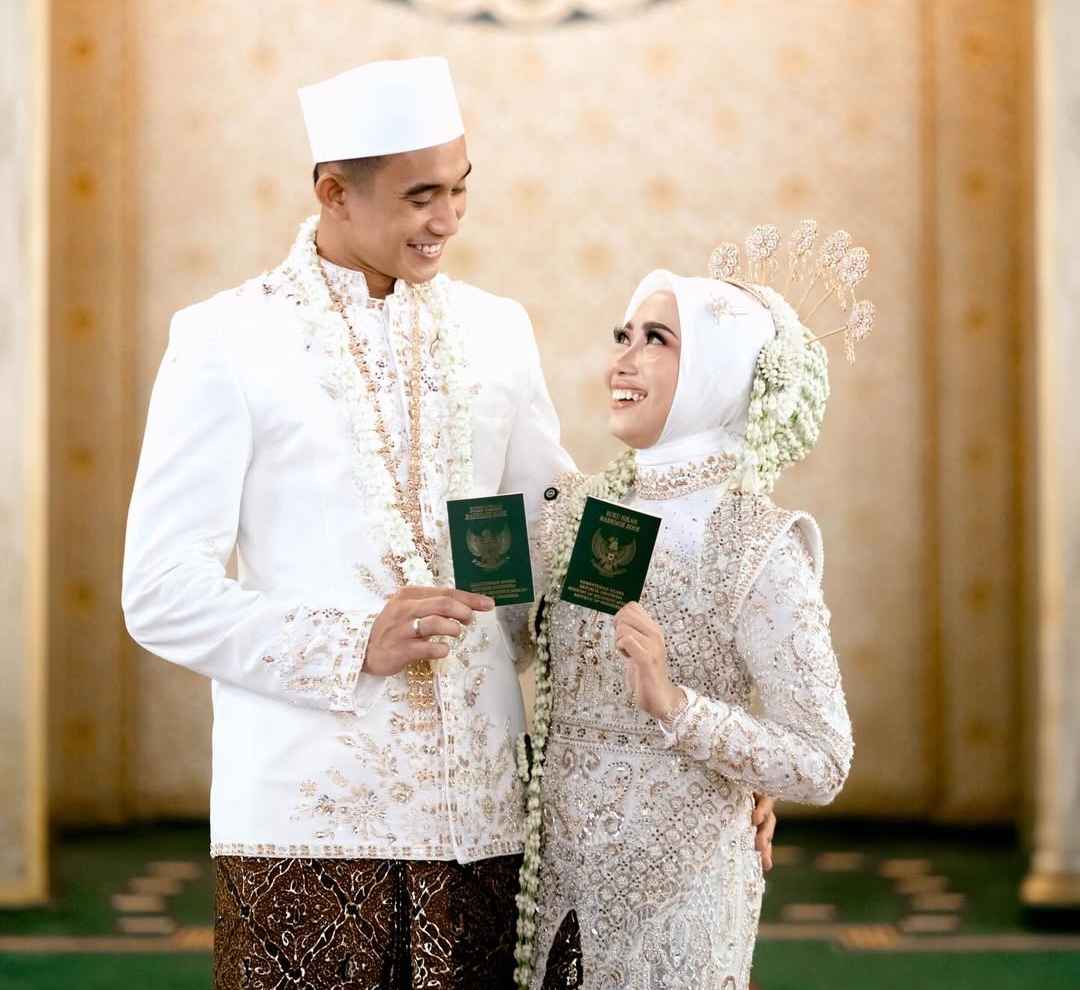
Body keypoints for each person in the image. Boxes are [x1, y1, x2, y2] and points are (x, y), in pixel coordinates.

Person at [122, 56, 576, 989]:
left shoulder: (497, 331)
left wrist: (699, 744)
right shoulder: (227, 339)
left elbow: (552, 552)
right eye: (420, 196)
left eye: (459, 188)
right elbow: (159, 591)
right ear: (333, 192)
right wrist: (353, 642)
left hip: (483, 814)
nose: (448, 219)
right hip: (307, 814)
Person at [516, 233, 861, 990]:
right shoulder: (579, 511)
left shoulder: (755, 545)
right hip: (551, 894)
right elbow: (499, 632)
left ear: (718, 370)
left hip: (680, 898)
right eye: (624, 337)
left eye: (657, 340)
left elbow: (822, 760)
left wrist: (675, 705)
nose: (624, 360)